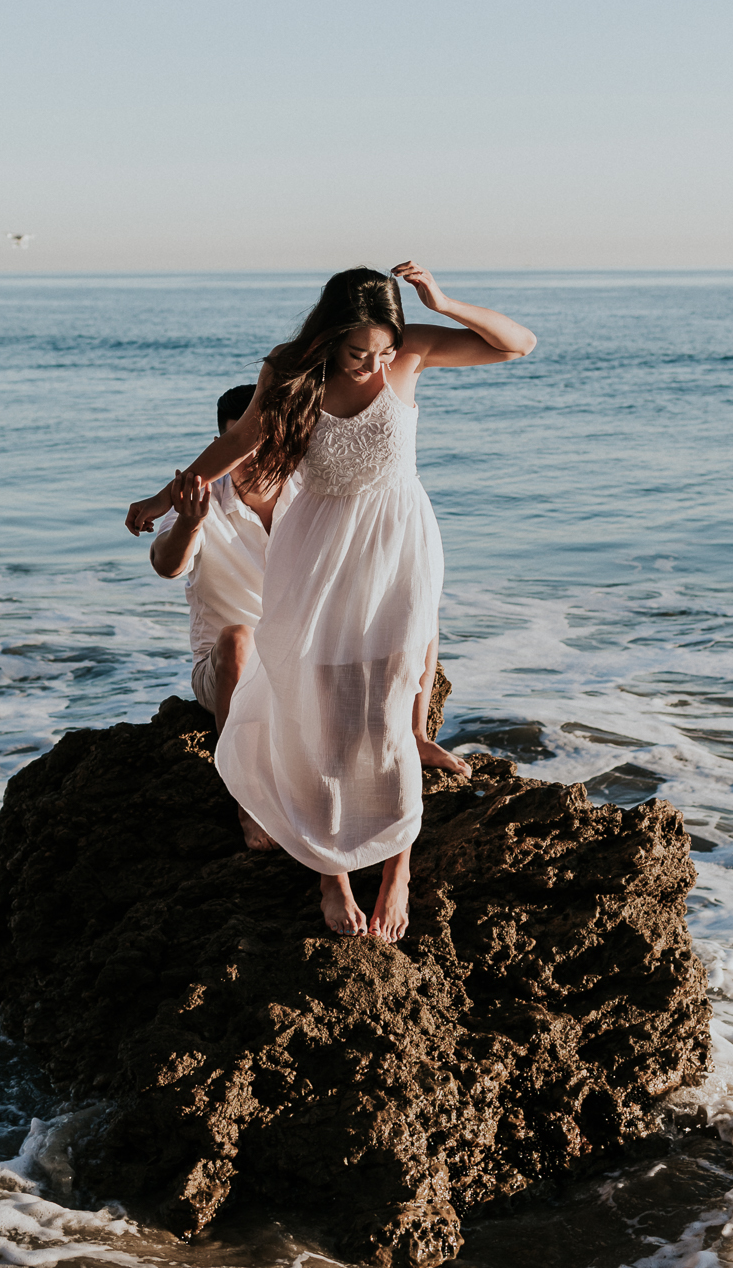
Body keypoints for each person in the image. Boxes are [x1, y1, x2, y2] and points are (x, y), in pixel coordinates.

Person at [125, 262, 536, 944]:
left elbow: (517, 344)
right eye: (359, 353)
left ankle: (396, 869)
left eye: (382, 352)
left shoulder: (413, 351)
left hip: (396, 545)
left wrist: (442, 301)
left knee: (391, 703)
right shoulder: (289, 371)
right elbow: (236, 441)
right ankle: (331, 874)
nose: (376, 367)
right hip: (315, 546)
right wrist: (165, 499)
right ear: (329, 337)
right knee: (315, 705)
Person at [143, 384, 293, 849]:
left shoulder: (309, 495)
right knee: (237, 639)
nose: (255, 457)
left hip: (297, 664)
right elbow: (166, 565)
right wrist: (188, 523)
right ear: (220, 449)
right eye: (241, 447)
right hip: (226, 671)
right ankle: (247, 804)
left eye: (264, 444)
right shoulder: (202, 498)